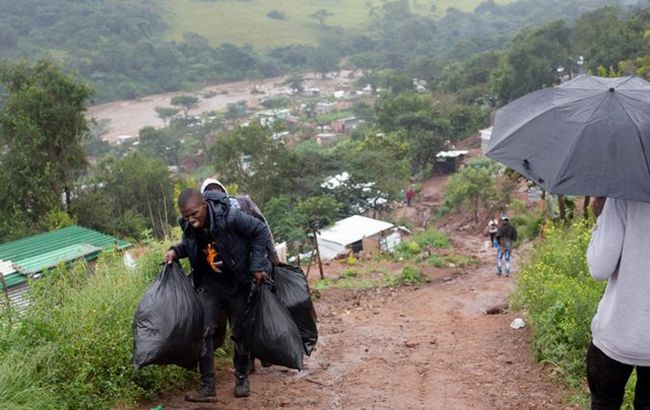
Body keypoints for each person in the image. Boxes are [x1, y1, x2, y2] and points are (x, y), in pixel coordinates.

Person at [164, 188, 271, 403]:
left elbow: (260, 230)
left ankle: (242, 378)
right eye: (186, 216)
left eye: (194, 214)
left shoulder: (230, 216)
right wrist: (175, 250)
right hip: (209, 285)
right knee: (204, 332)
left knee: (239, 333)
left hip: (237, 282)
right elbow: (189, 245)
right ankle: (207, 387)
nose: (191, 219)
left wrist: (258, 265)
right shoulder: (188, 225)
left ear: (204, 205)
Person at [586, 197, 650, 409]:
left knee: (605, 403)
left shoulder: (624, 193)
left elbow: (599, 268)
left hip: (617, 333)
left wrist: (601, 220)